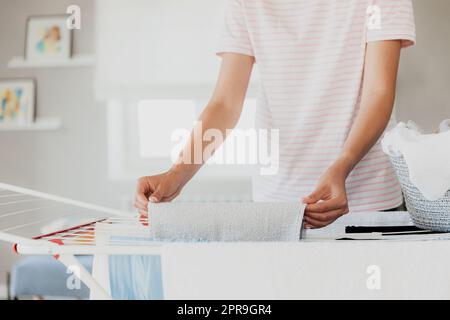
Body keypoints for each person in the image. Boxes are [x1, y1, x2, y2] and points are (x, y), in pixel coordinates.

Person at [135, 0, 416, 229]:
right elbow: (225, 104)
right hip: (278, 206)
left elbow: (378, 93)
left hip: (367, 200)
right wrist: (177, 174)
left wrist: (342, 166)